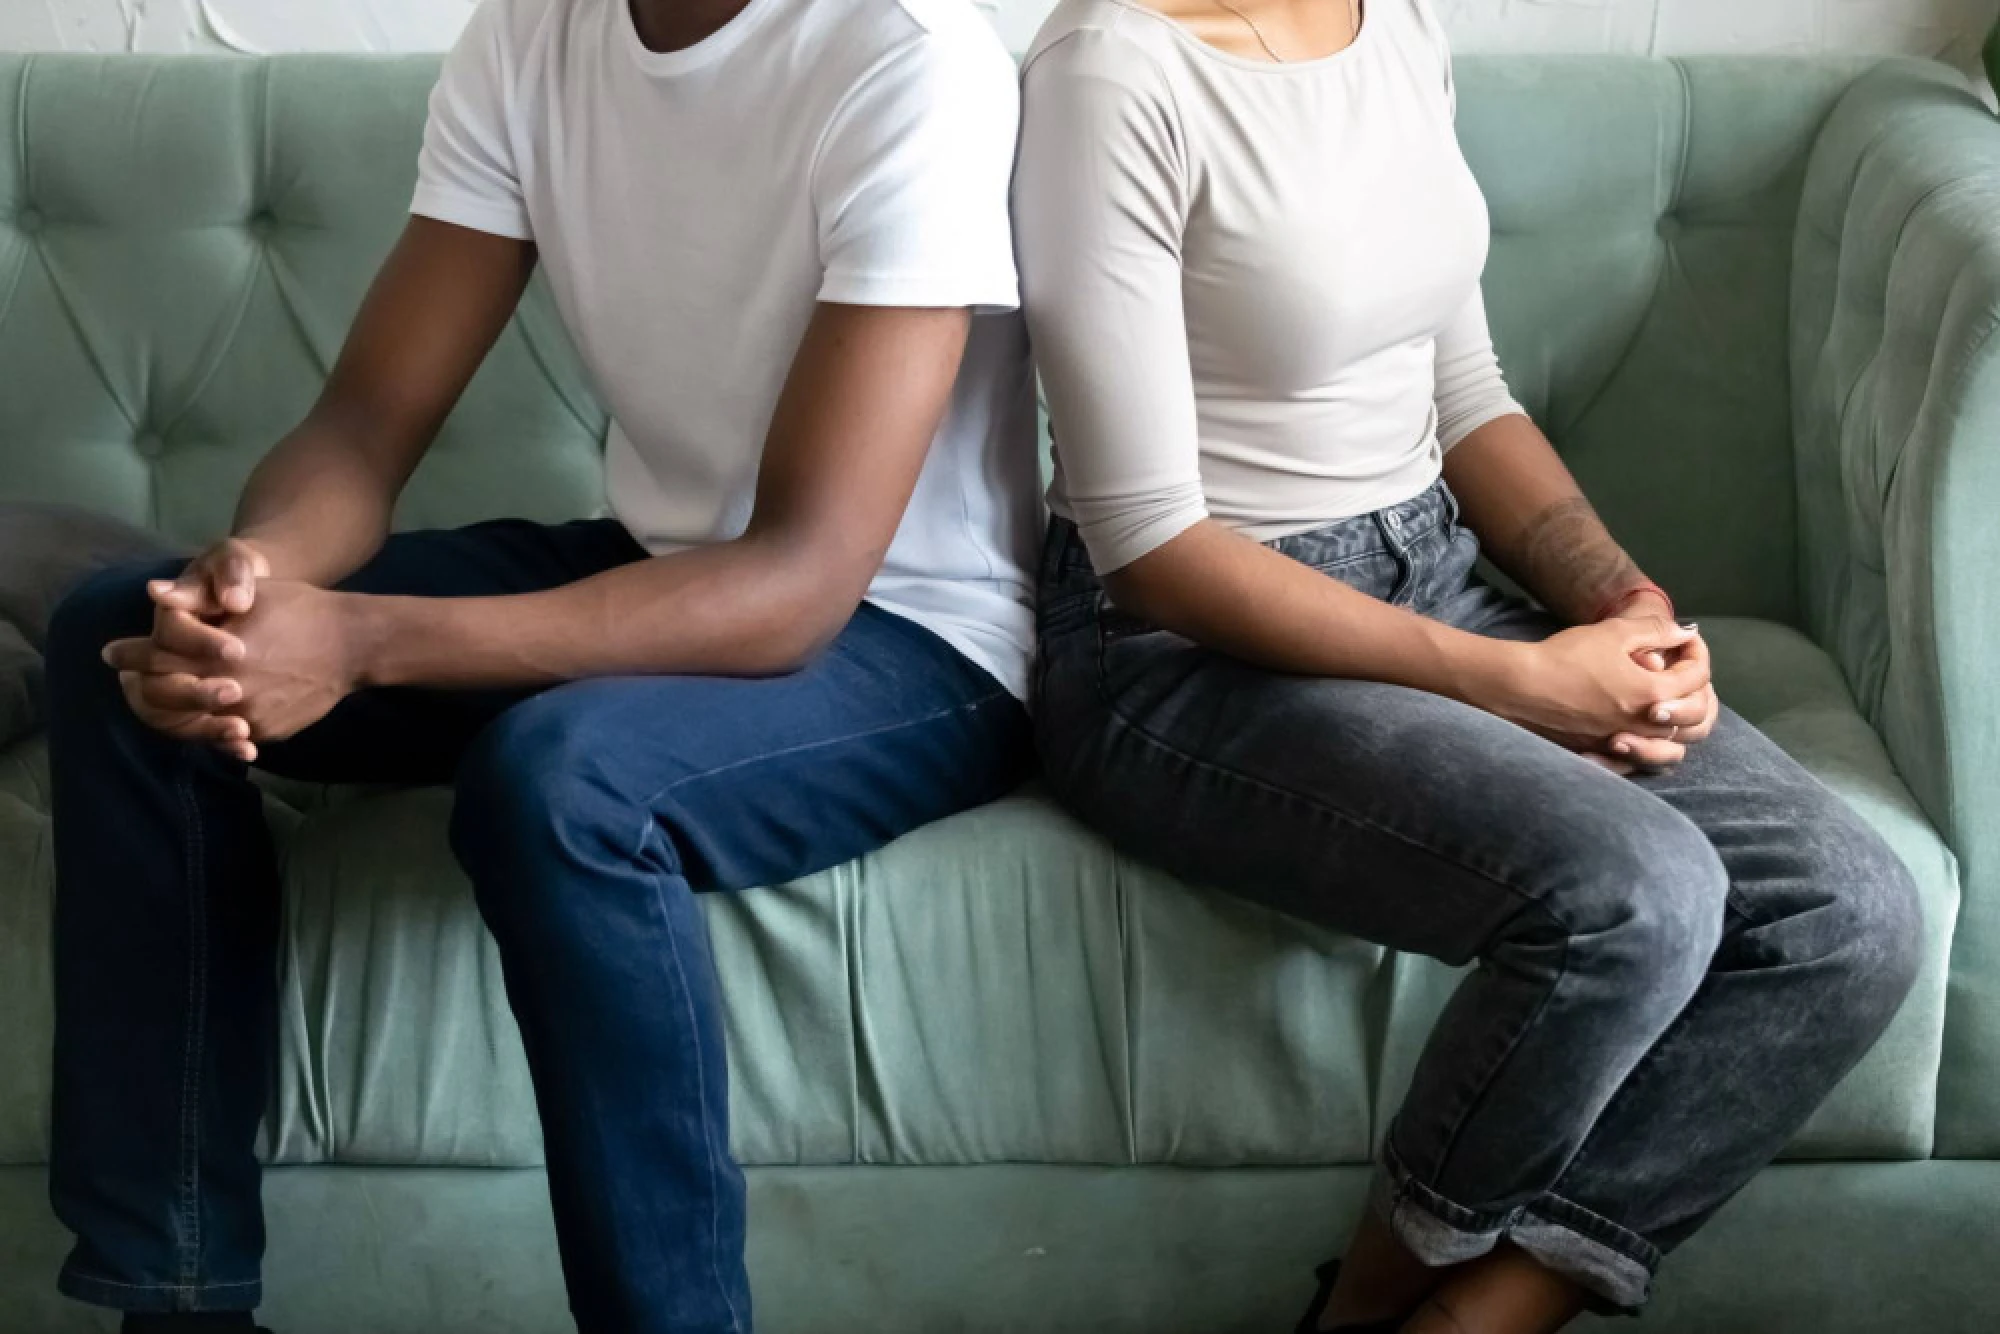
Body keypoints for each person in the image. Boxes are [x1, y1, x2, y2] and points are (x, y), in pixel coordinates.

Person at [43, 0, 1037, 1330]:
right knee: (130, 628)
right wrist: (256, 584)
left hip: (917, 637)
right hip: (662, 564)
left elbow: (801, 580)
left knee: (564, 782)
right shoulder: (534, 37)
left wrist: (362, 639)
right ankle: (180, 1302)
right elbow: (364, 422)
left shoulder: (909, 58)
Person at [1011, 0, 1924, 1330]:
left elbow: (1467, 392)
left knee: (1850, 908)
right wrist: (1515, 681)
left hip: (1432, 567)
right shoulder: (1110, 69)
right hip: (1180, 650)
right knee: (1636, 893)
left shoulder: (1393, 31)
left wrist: (1624, 605)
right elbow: (1150, 541)